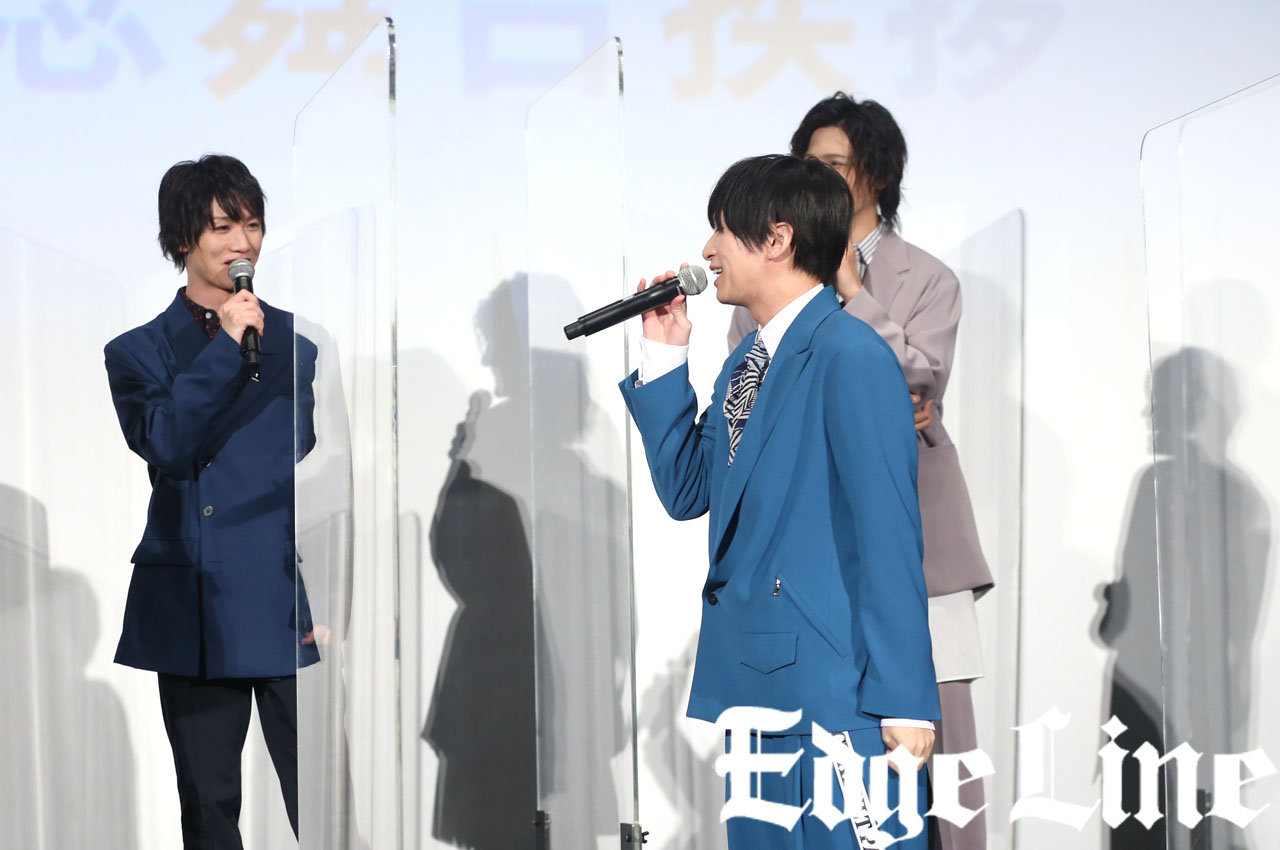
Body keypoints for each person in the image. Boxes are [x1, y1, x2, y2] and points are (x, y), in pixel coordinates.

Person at [621, 154, 938, 849]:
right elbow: (689, 491)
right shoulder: (748, 360)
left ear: (778, 239)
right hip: (754, 693)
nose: (707, 250)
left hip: (838, 696)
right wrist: (665, 357)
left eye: (722, 229)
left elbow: (889, 533)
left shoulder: (851, 355)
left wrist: (905, 698)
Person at [727, 95, 994, 850]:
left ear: (878, 174)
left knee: (937, 758)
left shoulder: (928, 279)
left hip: (921, 546)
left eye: (835, 164)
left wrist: (853, 292)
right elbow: (750, 404)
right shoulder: (764, 280)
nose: (819, 175)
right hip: (804, 554)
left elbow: (918, 385)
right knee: (822, 766)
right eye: (808, 163)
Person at [104, 154, 318, 849]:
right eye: (222, 227)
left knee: (321, 797)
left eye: (251, 225)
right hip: (193, 598)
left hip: (276, 594)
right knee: (209, 805)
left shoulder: (294, 344)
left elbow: (298, 450)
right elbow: (165, 442)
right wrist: (227, 347)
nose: (241, 243)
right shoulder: (136, 352)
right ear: (182, 239)